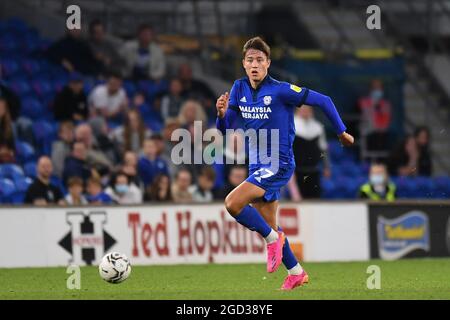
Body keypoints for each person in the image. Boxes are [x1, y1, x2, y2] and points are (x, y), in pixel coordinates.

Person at [215, 37, 353, 290]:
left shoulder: (281, 90)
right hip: (257, 164)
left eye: (259, 60)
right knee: (269, 224)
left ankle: (272, 240)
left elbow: (324, 101)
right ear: (243, 64)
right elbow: (225, 129)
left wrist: (341, 131)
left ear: (268, 63)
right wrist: (221, 114)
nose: (254, 64)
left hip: (279, 162)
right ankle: (296, 272)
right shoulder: (238, 88)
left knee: (232, 203)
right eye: (249, 60)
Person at [292, 105, 330, 199]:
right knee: (298, 200)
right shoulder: (291, 125)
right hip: (296, 171)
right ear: (297, 111)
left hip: (313, 170)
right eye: (303, 110)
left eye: (308, 110)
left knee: (315, 198)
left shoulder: (317, 127)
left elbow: (323, 148)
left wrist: (326, 166)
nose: (305, 112)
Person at [0, 97, 16, 163]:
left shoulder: (8, 127)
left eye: (2, 106)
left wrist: (9, 152)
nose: (1, 108)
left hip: (5, 158)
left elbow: (13, 149)